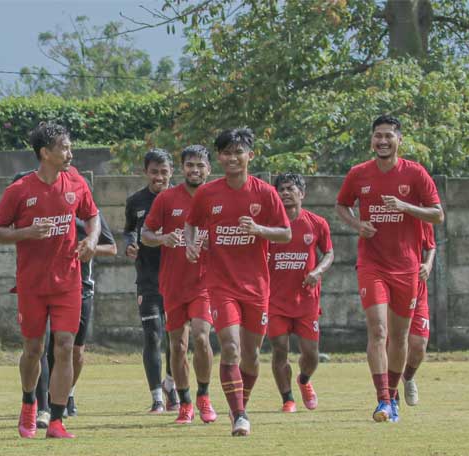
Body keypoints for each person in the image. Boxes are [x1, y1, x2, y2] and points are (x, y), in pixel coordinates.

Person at [0, 121, 100, 439]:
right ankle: (28, 404)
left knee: (64, 346)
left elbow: (92, 215)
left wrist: (91, 240)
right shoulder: (19, 190)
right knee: (34, 349)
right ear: (45, 153)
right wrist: (25, 232)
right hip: (32, 285)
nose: (70, 152)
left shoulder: (76, 182)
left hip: (68, 280)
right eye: (64, 147)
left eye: (69, 146)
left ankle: (56, 419)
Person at [335, 114, 443, 423]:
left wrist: (406, 206)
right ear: (371, 140)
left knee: (400, 336)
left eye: (388, 136)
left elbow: (438, 215)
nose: (382, 141)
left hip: (406, 267)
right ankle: (383, 400)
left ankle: (394, 392)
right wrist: (358, 224)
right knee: (378, 329)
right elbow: (341, 206)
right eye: (377, 136)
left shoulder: (416, 174)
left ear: (399, 140)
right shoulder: (358, 174)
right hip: (372, 264)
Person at [185, 128, 291, 436]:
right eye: (226, 153)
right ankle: (240, 414)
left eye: (238, 152)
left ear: (250, 155)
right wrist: (191, 244)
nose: (232, 158)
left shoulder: (265, 193)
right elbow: (191, 224)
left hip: (257, 286)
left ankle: (240, 405)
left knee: (251, 354)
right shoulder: (208, 193)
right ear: (218, 158)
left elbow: (285, 233)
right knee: (229, 347)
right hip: (220, 285)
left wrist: (259, 229)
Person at [21, 168, 116, 427]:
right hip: (41, 285)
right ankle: (43, 407)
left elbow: (111, 246)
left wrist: (88, 247)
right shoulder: (37, 211)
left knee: (72, 349)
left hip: (80, 285)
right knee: (41, 346)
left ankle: (65, 395)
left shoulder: (86, 215)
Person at [141, 145, 217, 424]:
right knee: (178, 346)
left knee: (200, 336)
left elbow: (234, 235)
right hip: (173, 283)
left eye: (200, 165)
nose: (194, 170)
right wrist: (162, 238)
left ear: (209, 169)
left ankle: (204, 396)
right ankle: (184, 401)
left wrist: (214, 242)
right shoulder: (166, 199)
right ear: (181, 168)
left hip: (205, 282)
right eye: (189, 165)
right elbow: (146, 234)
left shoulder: (218, 197)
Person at [267, 173, 334, 413]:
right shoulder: (270, 225)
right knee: (280, 348)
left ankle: (304, 380)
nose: (285, 193)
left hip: (306, 300)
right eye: (281, 189)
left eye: (290, 189)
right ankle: (287, 399)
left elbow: (329, 253)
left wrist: (317, 271)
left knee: (311, 354)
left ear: (302, 194)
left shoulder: (316, 223)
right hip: (275, 300)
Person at [123, 149, 179, 413]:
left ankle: (171, 384)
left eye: (164, 171)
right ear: (146, 172)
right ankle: (157, 396)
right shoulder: (135, 201)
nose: (159, 177)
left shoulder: (183, 198)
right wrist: (131, 245)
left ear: (171, 173)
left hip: (179, 279)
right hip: (147, 279)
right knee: (152, 334)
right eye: (154, 172)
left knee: (176, 338)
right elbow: (128, 232)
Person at [401, 222, 436, 406]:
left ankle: (408, 378)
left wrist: (428, 265)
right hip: (391, 287)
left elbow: (430, 246)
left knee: (419, 345)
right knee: (391, 343)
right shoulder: (384, 215)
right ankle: (389, 395)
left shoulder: (422, 217)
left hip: (417, 289)